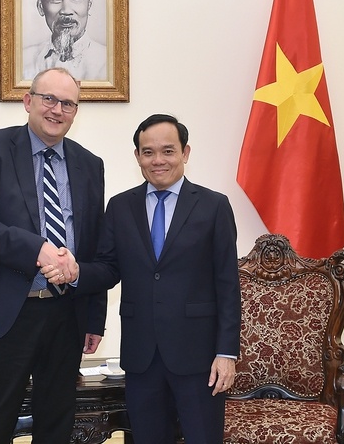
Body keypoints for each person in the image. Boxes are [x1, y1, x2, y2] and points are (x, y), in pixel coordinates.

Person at [42, 113, 241, 444]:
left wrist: (226, 352)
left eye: (168, 150)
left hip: (199, 356)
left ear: (185, 153)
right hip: (141, 356)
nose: (158, 160)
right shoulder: (120, 207)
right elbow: (108, 267)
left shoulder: (213, 206)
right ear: (137, 156)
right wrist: (76, 271)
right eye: (148, 152)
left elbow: (228, 285)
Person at [0, 67, 107, 444]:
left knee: (57, 421)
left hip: (66, 314)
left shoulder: (90, 164)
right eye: (48, 99)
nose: (57, 109)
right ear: (28, 101)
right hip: (6, 311)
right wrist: (34, 248)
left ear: (75, 111)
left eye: (67, 103)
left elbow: (93, 244)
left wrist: (94, 318)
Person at [23, 0, 107, 81]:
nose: (66, 10)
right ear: (40, 6)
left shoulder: (107, 62)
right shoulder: (24, 60)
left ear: (89, 4)